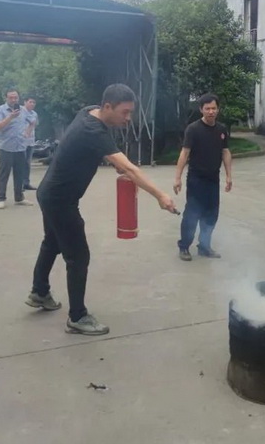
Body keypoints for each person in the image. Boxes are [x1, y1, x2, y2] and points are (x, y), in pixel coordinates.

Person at [27, 84, 177, 336]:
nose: (128, 118)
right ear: (107, 106)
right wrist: (160, 195)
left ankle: (39, 292)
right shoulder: (92, 130)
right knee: (78, 257)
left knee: (52, 243)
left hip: (49, 193)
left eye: (130, 112)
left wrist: (113, 160)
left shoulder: (89, 112)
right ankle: (77, 317)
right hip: (60, 201)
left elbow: (99, 150)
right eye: (125, 112)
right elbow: (129, 168)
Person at [174, 93, 232, 261]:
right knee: (192, 214)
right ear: (201, 109)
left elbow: (225, 152)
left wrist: (229, 176)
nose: (211, 112)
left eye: (214, 108)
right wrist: (177, 178)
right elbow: (185, 153)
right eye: (207, 108)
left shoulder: (221, 129)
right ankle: (184, 246)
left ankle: (204, 246)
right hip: (196, 179)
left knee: (211, 214)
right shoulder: (193, 129)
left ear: (218, 109)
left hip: (213, 178)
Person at [0, 89, 33, 209]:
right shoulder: (0, 110)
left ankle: (19, 197)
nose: (13, 100)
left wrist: (27, 133)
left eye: (15, 97)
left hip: (20, 147)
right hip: (6, 147)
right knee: (4, 174)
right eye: (11, 97)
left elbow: (32, 122)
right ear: (6, 98)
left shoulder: (23, 110)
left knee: (19, 174)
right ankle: (1, 198)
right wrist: (10, 117)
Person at [21, 97, 38, 191]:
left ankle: (26, 183)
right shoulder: (20, 111)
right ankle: (19, 184)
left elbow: (34, 125)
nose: (32, 104)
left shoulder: (34, 114)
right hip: (21, 142)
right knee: (20, 163)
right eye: (30, 102)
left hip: (30, 142)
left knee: (27, 163)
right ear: (25, 102)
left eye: (34, 102)